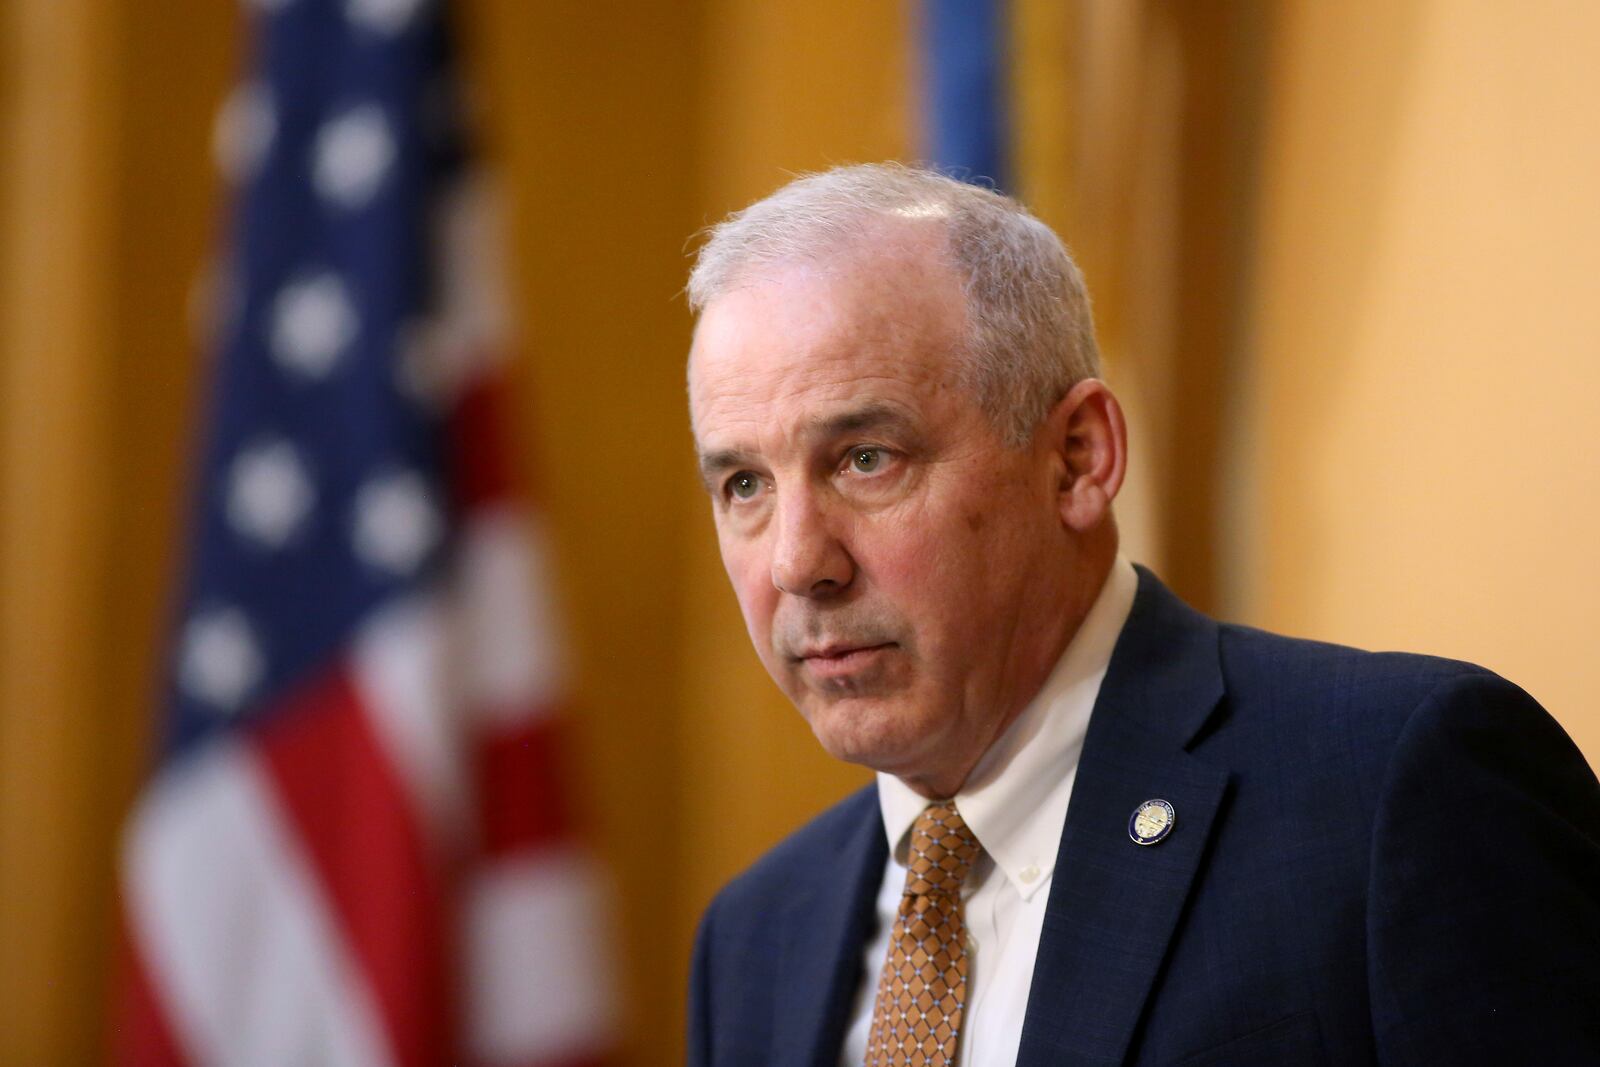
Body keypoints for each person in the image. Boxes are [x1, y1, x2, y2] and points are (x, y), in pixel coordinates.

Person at [682, 163, 1600, 1067]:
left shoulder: (1394, 790)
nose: (798, 562)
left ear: (1078, 459)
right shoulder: (756, 939)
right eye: (745, 483)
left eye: (866, 459)